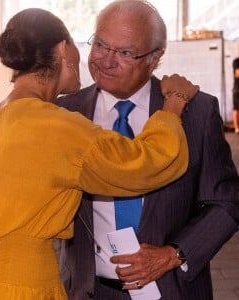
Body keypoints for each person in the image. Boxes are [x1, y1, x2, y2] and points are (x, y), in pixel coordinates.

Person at [0, 7, 198, 300]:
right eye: (91, 44)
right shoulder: (55, 125)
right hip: (27, 290)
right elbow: (143, 163)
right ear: (65, 49)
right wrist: (173, 105)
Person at [56, 1, 239, 299]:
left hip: (172, 288)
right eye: (100, 44)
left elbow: (227, 202)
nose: (106, 61)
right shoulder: (64, 114)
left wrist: (172, 255)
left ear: (155, 58)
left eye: (125, 52)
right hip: (89, 291)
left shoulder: (198, 112)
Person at [232, 57, 239, 134]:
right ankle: (236, 128)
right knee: (236, 108)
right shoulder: (236, 61)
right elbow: (237, 74)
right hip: (237, 89)